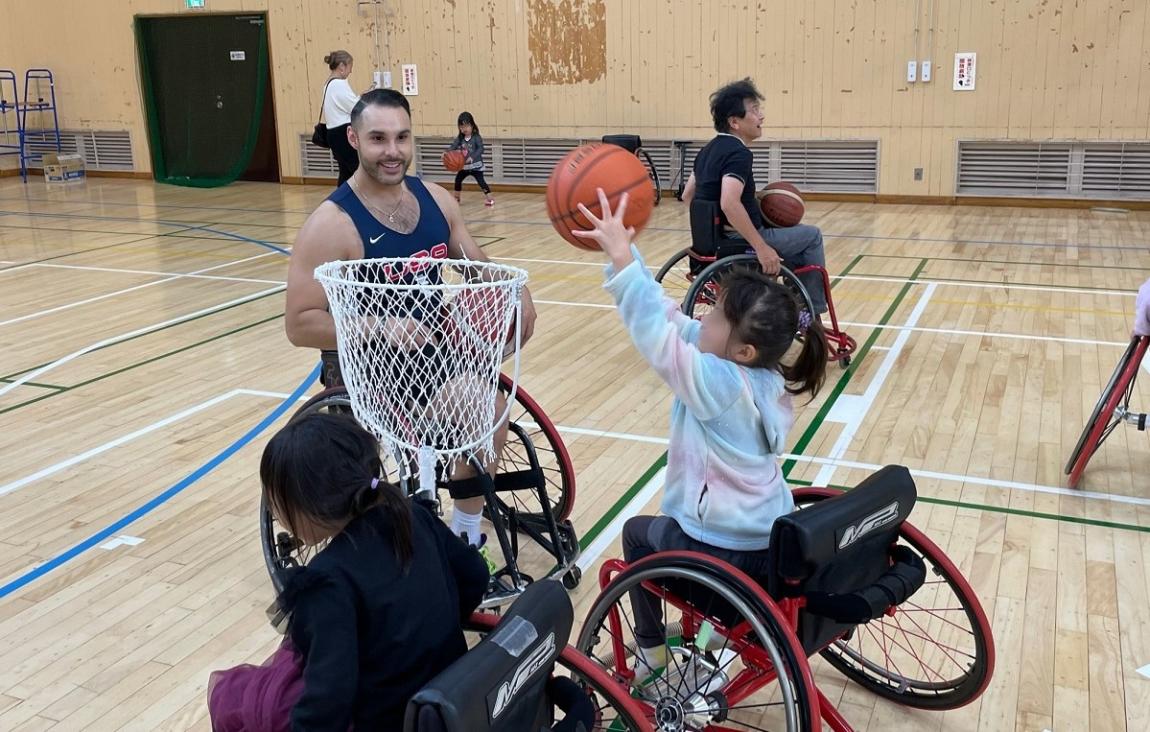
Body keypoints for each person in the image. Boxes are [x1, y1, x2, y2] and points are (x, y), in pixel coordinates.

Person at [573, 189, 829, 687]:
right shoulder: (767, 379)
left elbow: (657, 335)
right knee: (678, 542)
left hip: (722, 549)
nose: (702, 315)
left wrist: (622, 260)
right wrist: (633, 261)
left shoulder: (717, 384)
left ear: (744, 348)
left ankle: (649, 657)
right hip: (767, 542)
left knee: (636, 536)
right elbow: (676, 321)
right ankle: (711, 654)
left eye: (714, 315)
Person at [285, 88, 538, 554]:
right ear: (354, 139)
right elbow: (299, 324)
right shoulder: (332, 225)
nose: (393, 151)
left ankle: (464, 535)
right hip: (367, 369)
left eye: (402, 137)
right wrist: (382, 328)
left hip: (432, 359)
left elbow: (477, 265)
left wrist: (512, 291)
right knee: (465, 418)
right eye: (378, 138)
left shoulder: (436, 200)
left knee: (490, 410)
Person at [207, 412, 489, 730]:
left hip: (393, 719)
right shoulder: (411, 516)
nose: (276, 514)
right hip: (450, 699)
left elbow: (326, 709)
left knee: (236, 699)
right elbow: (475, 577)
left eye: (276, 503)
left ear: (305, 503)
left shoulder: (327, 582)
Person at [682, 78, 829, 314]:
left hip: (714, 245)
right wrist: (760, 246)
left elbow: (689, 196)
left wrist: (714, 230)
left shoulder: (707, 150)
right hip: (738, 244)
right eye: (754, 110)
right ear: (734, 122)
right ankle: (810, 312)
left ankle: (785, 299)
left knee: (791, 242)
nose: (761, 116)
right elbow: (729, 202)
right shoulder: (738, 153)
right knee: (811, 237)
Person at [319, 50, 365, 186]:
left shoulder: (328, 85)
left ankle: (341, 203)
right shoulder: (339, 84)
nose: (350, 71)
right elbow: (355, 108)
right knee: (357, 171)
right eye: (350, 67)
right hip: (343, 134)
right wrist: (363, 99)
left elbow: (344, 105)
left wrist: (359, 98)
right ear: (342, 66)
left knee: (345, 173)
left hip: (333, 133)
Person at [447, 111, 494, 206]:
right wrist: (446, 153)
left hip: (476, 167)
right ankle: (456, 198)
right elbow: (453, 146)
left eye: (467, 126)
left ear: (472, 125)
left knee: (481, 182)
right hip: (464, 167)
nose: (464, 129)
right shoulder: (460, 138)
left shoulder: (476, 137)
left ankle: (490, 199)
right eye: (462, 127)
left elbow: (481, 149)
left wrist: (472, 157)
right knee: (458, 180)